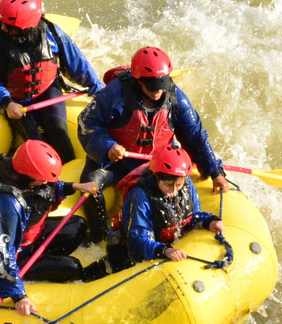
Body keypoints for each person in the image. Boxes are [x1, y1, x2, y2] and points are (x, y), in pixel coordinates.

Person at [77, 45, 229, 241]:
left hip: (158, 163)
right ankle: (100, 236)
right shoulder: (115, 93)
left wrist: (215, 171)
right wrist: (108, 146)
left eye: (161, 83)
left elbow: (195, 134)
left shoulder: (175, 97)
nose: (158, 90)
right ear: (138, 81)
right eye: (151, 85)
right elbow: (87, 123)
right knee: (90, 187)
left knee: (176, 192)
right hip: (116, 162)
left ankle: (178, 235)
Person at [0, 140, 107, 317]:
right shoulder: (4, 205)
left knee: (78, 226)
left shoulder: (19, 172)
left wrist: (75, 186)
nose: (46, 182)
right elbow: (0, 254)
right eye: (43, 179)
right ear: (30, 177)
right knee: (72, 267)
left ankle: (46, 259)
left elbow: (48, 187)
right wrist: (18, 295)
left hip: (23, 237)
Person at [0, 0, 104, 164]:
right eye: (3, 23)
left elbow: (77, 64)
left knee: (61, 138)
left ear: (27, 27)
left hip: (48, 91)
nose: (3, 28)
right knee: (39, 145)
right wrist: (6, 103)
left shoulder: (52, 33)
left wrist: (98, 89)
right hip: (16, 100)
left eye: (9, 26)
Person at [106, 145, 224, 272]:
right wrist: (164, 250)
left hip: (163, 241)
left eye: (178, 185)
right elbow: (137, 242)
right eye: (168, 185)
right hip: (125, 249)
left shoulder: (187, 184)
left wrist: (209, 220)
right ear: (156, 177)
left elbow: (192, 216)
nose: (173, 191)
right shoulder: (140, 195)